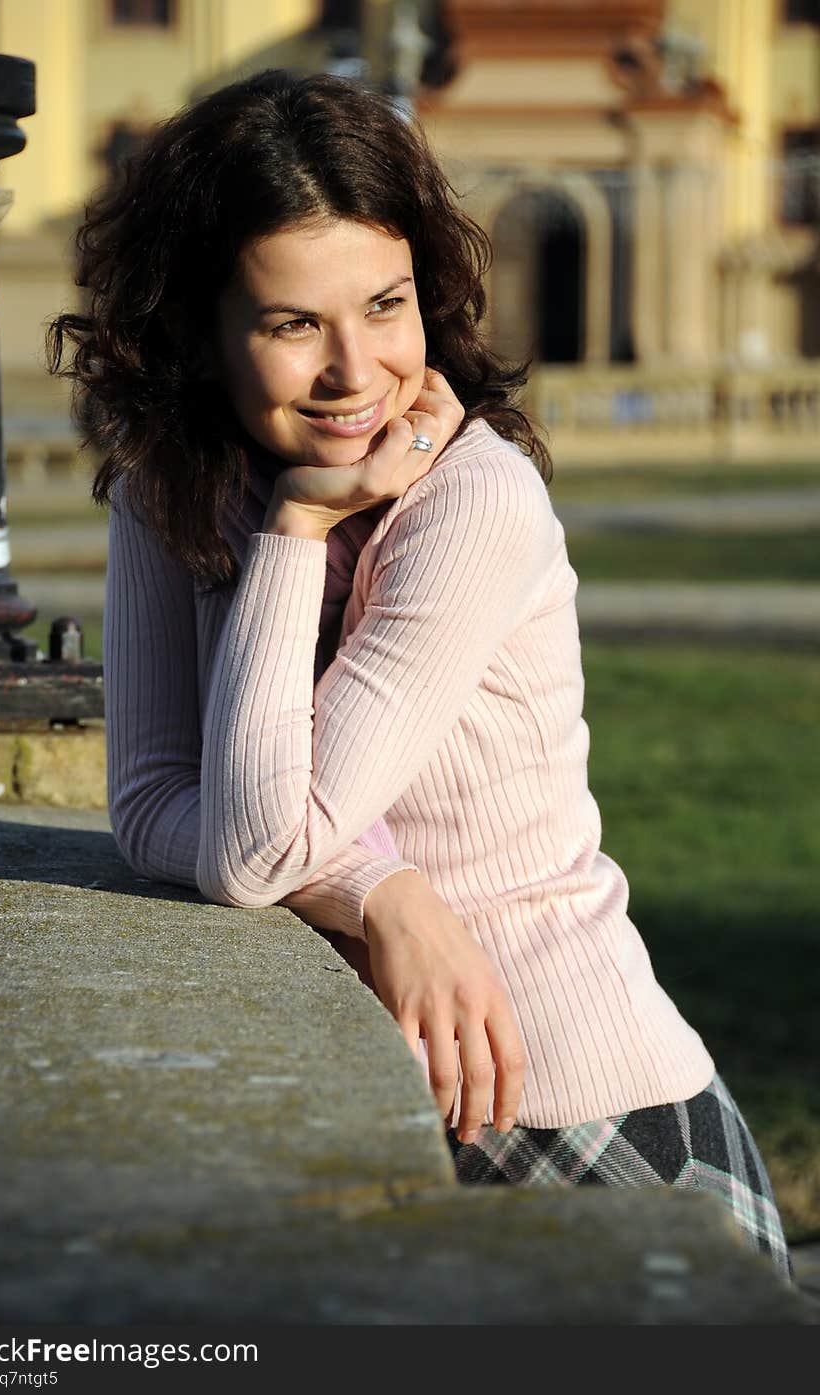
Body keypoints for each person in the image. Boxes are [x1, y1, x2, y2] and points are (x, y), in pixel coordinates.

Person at [48, 69, 791, 1281]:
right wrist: (385, 891)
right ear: (199, 329)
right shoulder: (167, 487)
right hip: (366, 1095)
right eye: (294, 324)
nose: (356, 371)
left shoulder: (472, 499)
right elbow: (149, 805)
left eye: (384, 305)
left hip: (567, 1100)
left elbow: (249, 851)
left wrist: (291, 538)